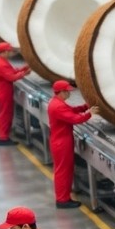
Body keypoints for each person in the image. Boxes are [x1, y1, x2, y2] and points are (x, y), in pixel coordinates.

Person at [48, 79, 99, 209]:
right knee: (63, 171)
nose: (69, 94)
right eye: (67, 92)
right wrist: (89, 114)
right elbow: (74, 119)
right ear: (61, 92)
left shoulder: (57, 102)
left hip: (61, 140)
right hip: (62, 142)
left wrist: (85, 106)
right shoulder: (58, 106)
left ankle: (64, 197)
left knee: (65, 170)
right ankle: (62, 200)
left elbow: (72, 110)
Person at [0, 42, 30, 146]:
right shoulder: (1, 64)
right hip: (4, 93)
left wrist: (23, 68)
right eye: (9, 51)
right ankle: (3, 139)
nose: (10, 52)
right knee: (5, 115)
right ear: (4, 52)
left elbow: (12, 71)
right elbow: (12, 77)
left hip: (3, 92)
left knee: (5, 115)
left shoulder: (2, 61)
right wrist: (24, 73)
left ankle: (4, 136)